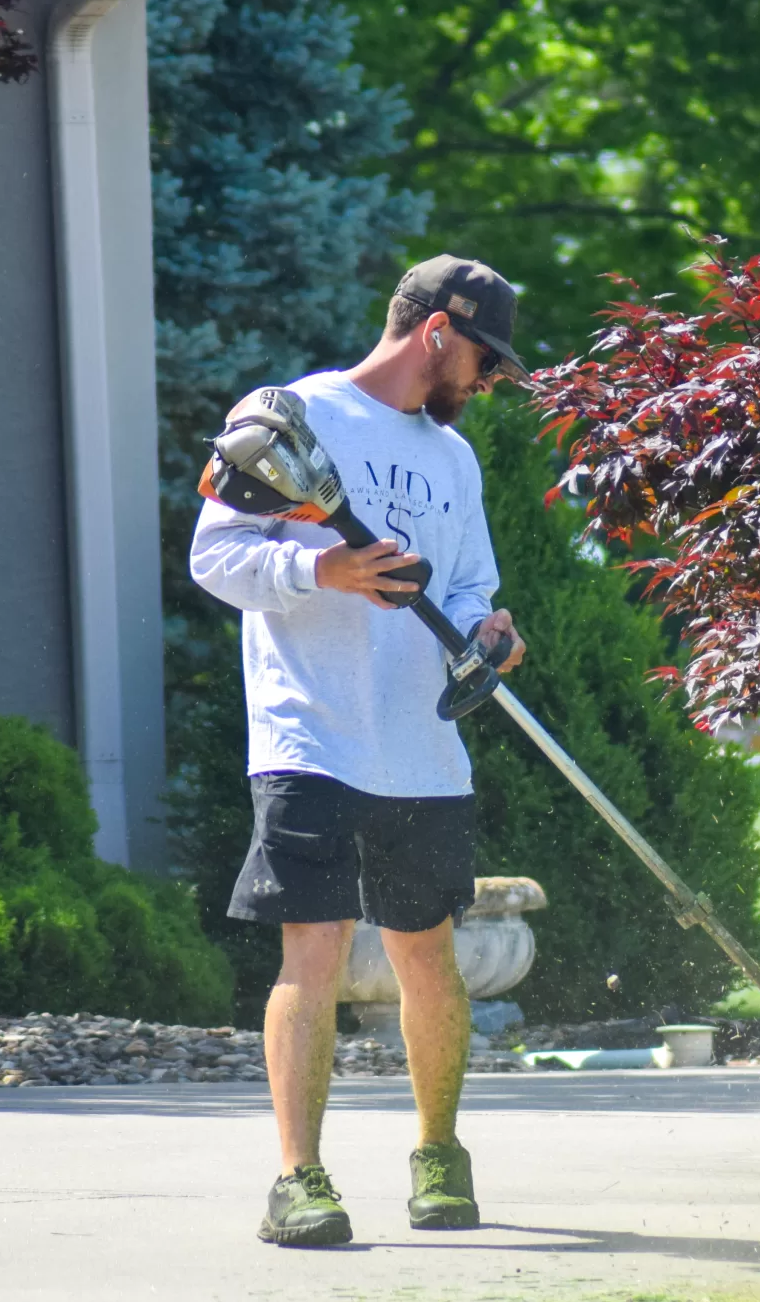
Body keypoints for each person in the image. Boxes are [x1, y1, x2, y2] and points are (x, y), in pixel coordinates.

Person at [189, 254, 528, 1248]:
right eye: (485, 358)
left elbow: (465, 588)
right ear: (437, 332)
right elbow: (215, 556)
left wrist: (488, 633)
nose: (489, 380)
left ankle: (438, 1157)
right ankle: (297, 1179)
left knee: (430, 956)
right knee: (316, 950)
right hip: (311, 732)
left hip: (421, 743)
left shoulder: (452, 460)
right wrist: (323, 568)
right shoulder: (290, 414)